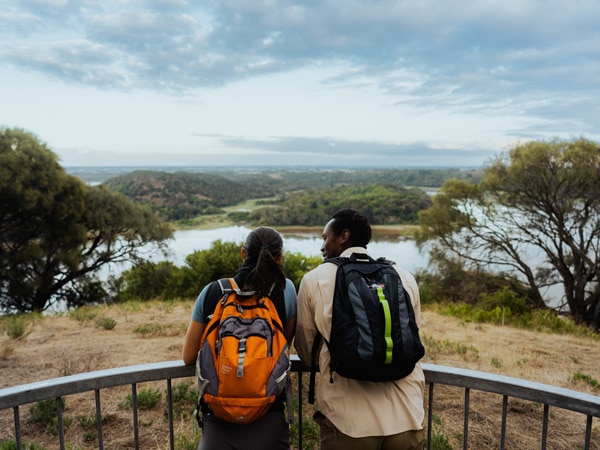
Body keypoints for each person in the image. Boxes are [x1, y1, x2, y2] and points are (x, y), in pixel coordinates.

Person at [294, 209, 425, 450]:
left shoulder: (314, 280)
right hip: (406, 415)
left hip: (348, 422)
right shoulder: (403, 276)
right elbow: (411, 338)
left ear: (343, 236)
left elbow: (306, 349)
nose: (322, 246)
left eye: (325, 238)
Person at [183, 226, 297, 450]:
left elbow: (188, 356)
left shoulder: (213, 291)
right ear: (280, 258)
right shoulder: (286, 290)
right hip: (269, 412)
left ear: (243, 253)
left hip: (218, 419)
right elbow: (285, 348)